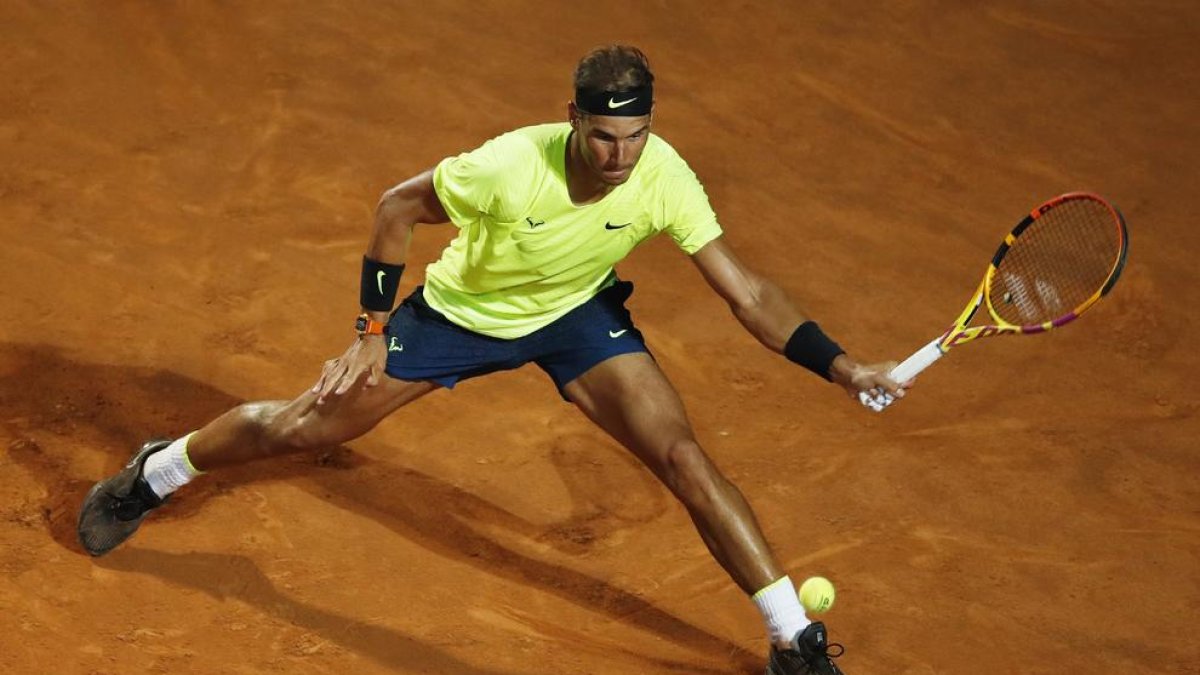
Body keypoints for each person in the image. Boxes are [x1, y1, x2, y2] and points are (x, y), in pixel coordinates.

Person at [78, 45, 907, 674]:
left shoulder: (663, 176)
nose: (621, 159)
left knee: (683, 456)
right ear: (574, 121)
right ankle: (155, 473)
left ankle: (791, 638)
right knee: (302, 426)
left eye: (637, 137)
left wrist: (845, 366)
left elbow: (751, 295)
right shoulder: (509, 166)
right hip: (460, 316)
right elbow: (396, 207)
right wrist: (369, 332)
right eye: (606, 138)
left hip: (574, 316)